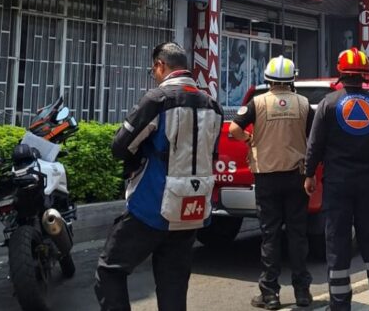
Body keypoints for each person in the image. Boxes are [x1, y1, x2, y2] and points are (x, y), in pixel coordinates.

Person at [95, 43, 223, 311]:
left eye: (153, 69)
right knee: (174, 285)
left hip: (152, 205)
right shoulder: (213, 106)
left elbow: (119, 147)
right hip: (194, 208)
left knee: (110, 270)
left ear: (160, 66)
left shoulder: (157, 100)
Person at [304, 48, 369, 311]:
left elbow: (315, 145)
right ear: (365, 74)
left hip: (337, 184)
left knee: (338, 243)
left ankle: (340, 306)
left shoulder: (329, 104)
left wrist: (309, 174)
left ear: (340, 72)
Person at [229, 55, 314, 310]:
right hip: (296, 176)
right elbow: (313, 136)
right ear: (291, 80)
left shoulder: (257, 103)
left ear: (267, 79)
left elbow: (233, 129)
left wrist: (249, 139)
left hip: (266, 177)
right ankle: (302, 293)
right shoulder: (303, 103)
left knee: (270, 235)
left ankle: (270, 294)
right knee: (298, 235)